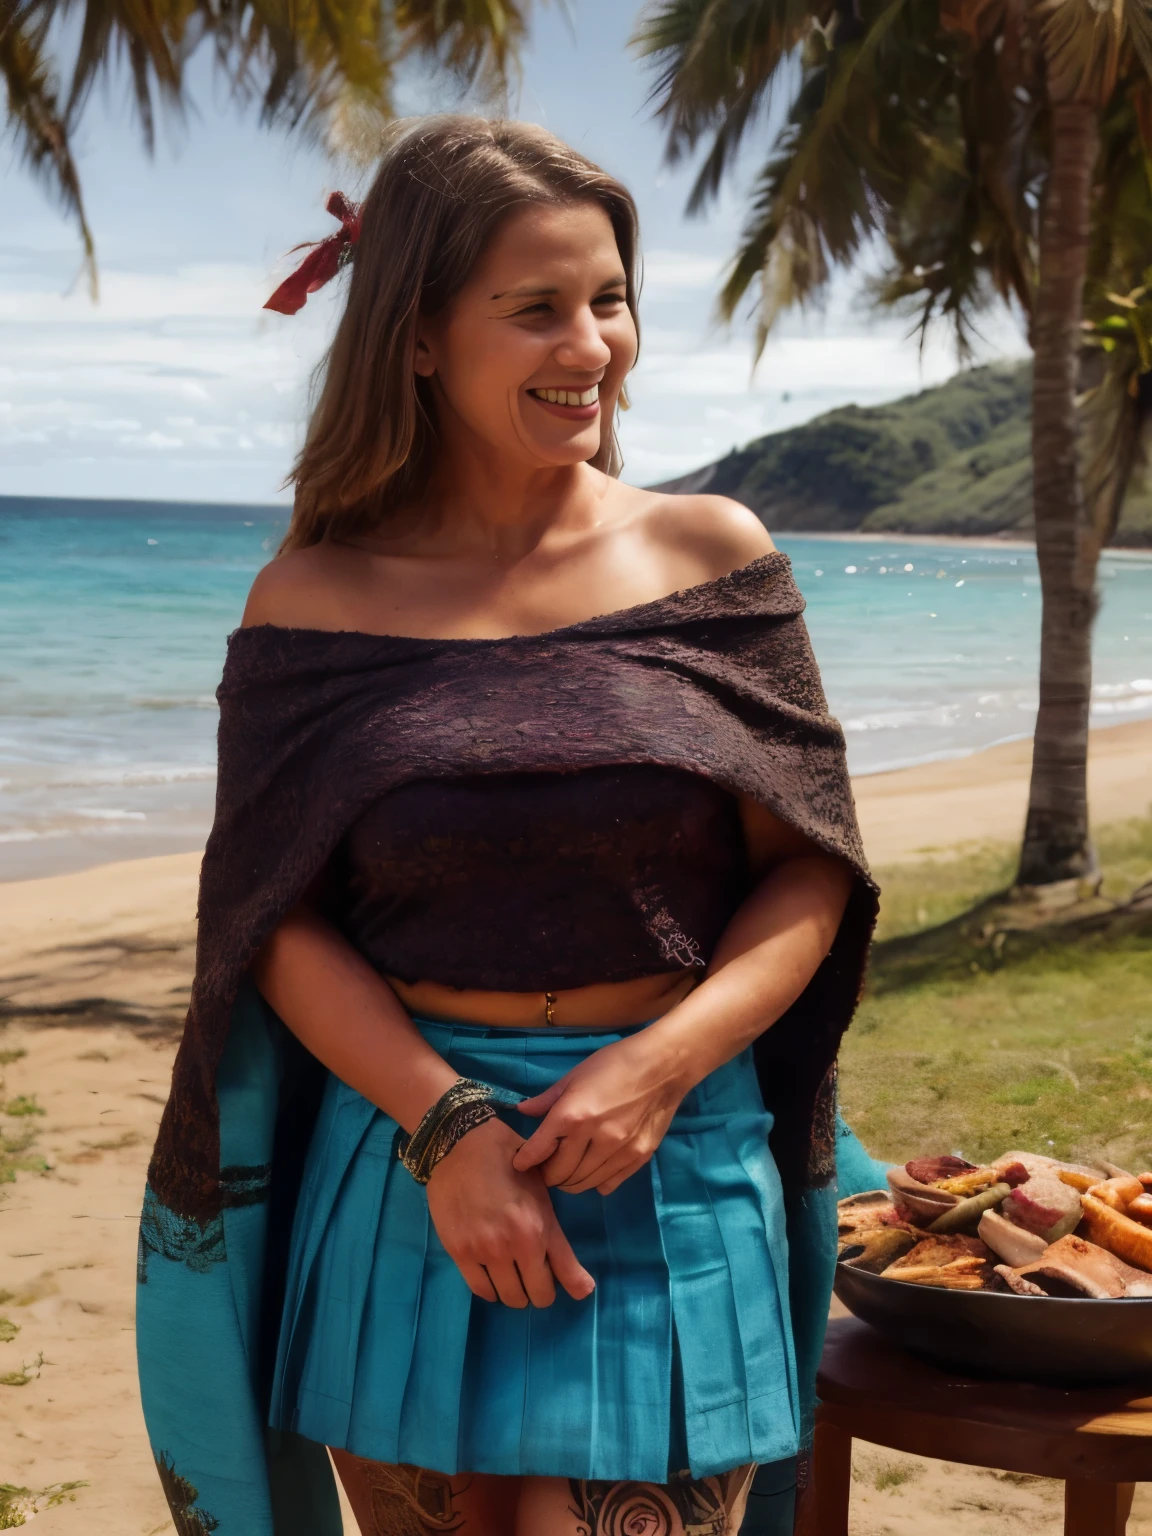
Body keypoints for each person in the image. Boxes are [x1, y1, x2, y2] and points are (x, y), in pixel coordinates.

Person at [136, 115, 879, 1536]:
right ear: (417, 337)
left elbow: (807, 879)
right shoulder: (310, 598)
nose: (590, 344)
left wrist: (662, 1067)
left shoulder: (712, 559)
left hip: (673, 1159)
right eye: (535, 309)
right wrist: (447, 1123)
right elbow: (269, 915)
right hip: (409, 1165)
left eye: (609, 300)